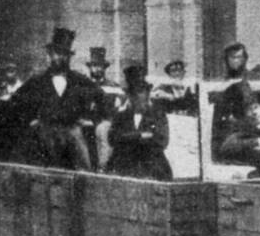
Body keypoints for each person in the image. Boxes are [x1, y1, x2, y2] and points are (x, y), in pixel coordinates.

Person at [10, 27, 105, 170]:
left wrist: (89, 119)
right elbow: (16, 103)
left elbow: (102, 101)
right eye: (57, 53)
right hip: (44, 135)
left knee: (84, 168)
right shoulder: (37, 81)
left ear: (69, 56)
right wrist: (31, 120)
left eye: (65, 54)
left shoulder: (80, 81)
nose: (60, 58)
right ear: (50, 54)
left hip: (73, 134)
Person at [106, 65, 172, 180]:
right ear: (130, 96)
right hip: (124, 162)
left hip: (150, 162)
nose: (140, 98)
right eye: (135, 94)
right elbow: (112, 138)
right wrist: (140, 135)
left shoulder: (158, 114)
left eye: (143, 92)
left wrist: (128, 137)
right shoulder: (121, 115)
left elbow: (162, 141)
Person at [211, 43, 255, 158]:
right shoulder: (222, 82)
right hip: (226, 131)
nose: (235, 61)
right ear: (226, 59)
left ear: (245, 58)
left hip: (247, 129)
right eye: (232, 57)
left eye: (239, 57)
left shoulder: (252, 78)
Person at [86, 47, 127, 171]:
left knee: (104, 131)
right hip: (86, 121)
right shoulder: (83, 85)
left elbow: (121, 105)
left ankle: (103, 168)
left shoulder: (113, 87)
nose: (97, 69)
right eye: (94, 66)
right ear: (90, 67)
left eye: (100, 66)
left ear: (104, 68)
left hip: (105, 121)